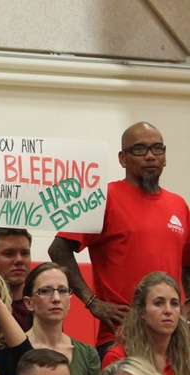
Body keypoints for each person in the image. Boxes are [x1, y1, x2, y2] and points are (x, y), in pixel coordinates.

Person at [49, 121, 190, 349]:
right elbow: (58, 249)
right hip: (121, 336)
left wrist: (186, 306)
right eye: (139, 149)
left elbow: (188, 264)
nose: (150, 156)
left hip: (171, 339)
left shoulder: (179, 205)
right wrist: (92, 302)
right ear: (122, 158)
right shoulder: (104, 197)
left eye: (157, 148)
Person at [23, 263, 100, 375]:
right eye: (46, 291)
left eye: (63, 290)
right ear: (28, 302)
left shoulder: (88, 355)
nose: (56, 298)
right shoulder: (15, 350)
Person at [101, 271, 190, 375]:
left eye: (174, 303)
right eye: (159, 303)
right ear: (141, 312)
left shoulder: (187, 357)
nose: (168, 310)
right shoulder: (118, 358)